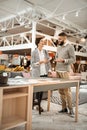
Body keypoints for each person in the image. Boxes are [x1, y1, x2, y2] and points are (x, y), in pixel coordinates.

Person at [55, 32, 76, 117]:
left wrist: (64, 60)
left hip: (65, 72)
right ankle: (64, 108)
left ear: (65, 38)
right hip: (58, 71)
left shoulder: (70, 47)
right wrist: (57, 59)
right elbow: (57, 57)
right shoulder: (58, 47)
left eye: (60, 39)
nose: (58, 40)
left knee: (67, 92)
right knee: (61, 91)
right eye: (58, 39)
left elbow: (73, 59)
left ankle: (71, 109)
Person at [31, 37, 51, 114]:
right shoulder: (34, 52)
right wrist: (40, 62)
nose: (43, 42)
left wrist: (49, 70)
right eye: (42, 41)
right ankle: (37, 105)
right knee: (37, 90)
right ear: (38, 43)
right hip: (36, 74)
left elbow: (48, 62)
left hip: (44, 73)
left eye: (43, 41)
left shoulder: (45, 52)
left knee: (42, 89)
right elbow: (32, 64)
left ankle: (39, 105)